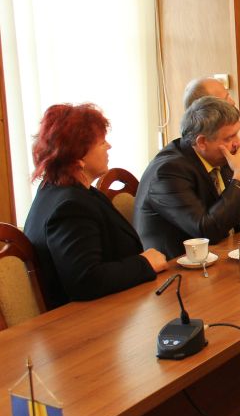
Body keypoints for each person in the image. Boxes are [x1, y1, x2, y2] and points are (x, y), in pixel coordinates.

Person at [23, 104, 167, 308]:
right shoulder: (70, 207)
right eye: (101, 142)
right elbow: (86, 280)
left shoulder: (61, 190)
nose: (109, 146)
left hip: (113, 306)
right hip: (88, 318)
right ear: (78, 156)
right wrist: (145, 263)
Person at [135, 97, 240, 258]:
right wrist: (239, 178)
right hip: (177, 265)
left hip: (220, 255)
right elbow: (206, 231)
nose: (237, 143)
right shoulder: (168, 172)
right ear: (202, 142)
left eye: (236, 134)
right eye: (229, 138)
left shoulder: (221, 158)